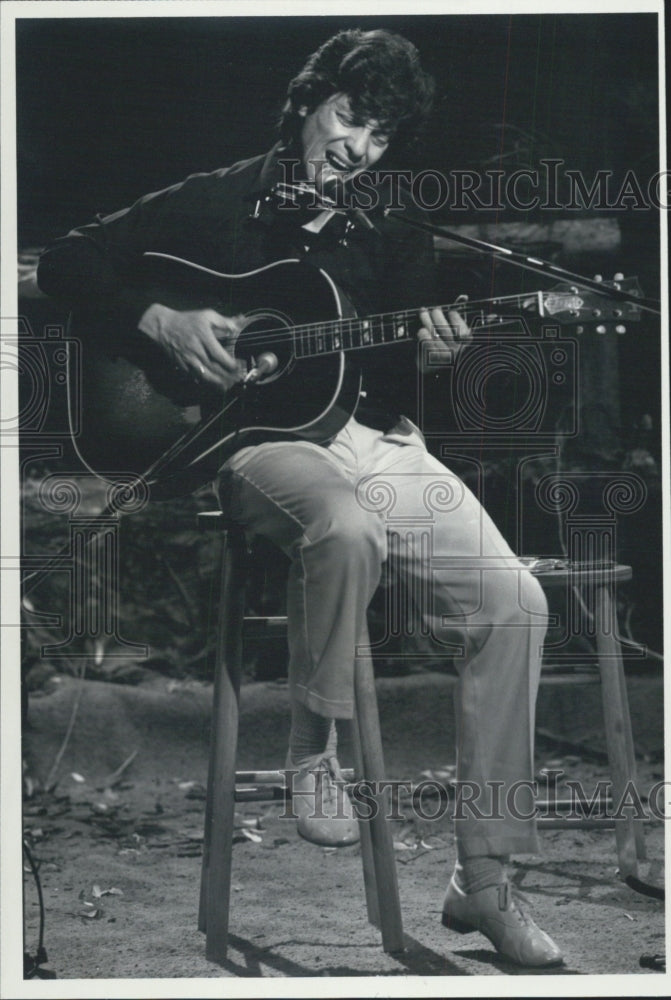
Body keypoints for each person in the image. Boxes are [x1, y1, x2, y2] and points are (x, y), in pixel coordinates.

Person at [37, 28, 563, 968]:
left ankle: (482, 884)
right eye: (348, 119)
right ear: (307, 102)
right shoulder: (221, 198)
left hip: (375, 439)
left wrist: (435, 357)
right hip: (264, 446)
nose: (356, 149)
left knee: (513, 605)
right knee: (344, 523)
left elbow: (398, 380)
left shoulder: (395, 227)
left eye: (379, 138)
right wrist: (158, 315)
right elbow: (68, 262)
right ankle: (313, 752)